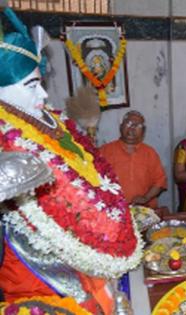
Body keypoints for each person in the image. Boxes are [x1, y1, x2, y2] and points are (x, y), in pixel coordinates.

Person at [0, 8, 142, 314]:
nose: (43, 95)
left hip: (80, 260)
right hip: (34, 272)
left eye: (39, 82)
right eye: (30, 86)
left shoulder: (48, 123)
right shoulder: (7, 141)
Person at [100, 110, 167, 208]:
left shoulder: (150, 153)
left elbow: (160, 181)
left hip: (144, 210)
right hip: (114, 210)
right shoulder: (104, 151)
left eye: (137, 125)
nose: (132, 128)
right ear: (120, 127)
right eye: (129, 123)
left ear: (143, 131)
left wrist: (145, 198)